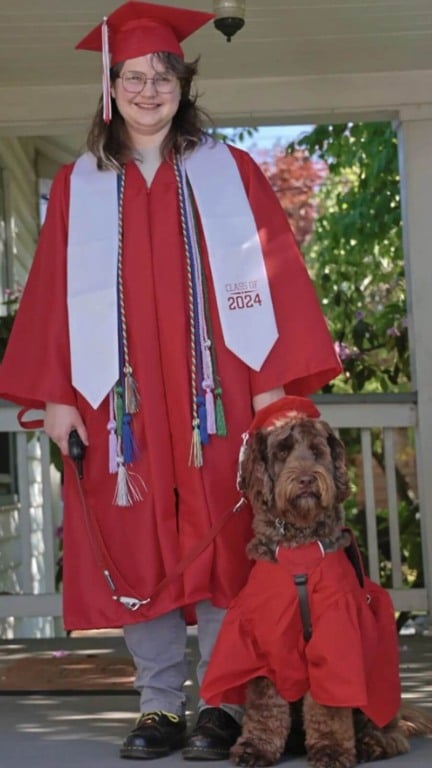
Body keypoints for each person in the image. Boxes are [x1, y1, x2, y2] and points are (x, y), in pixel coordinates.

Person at [0, 0, 342, 761]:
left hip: (217, 398)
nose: (149, 89)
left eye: (164, 75)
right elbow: (54, 293)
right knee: (133, 542)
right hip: (119, 403)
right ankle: (160, 705)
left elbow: (272, 279)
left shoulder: (228, 173)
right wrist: (57, 396)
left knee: (227, 537)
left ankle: (222, 701)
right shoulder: (81, 185)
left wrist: (268, 394)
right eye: (134, 76)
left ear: (183, 84)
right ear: (109, 86)